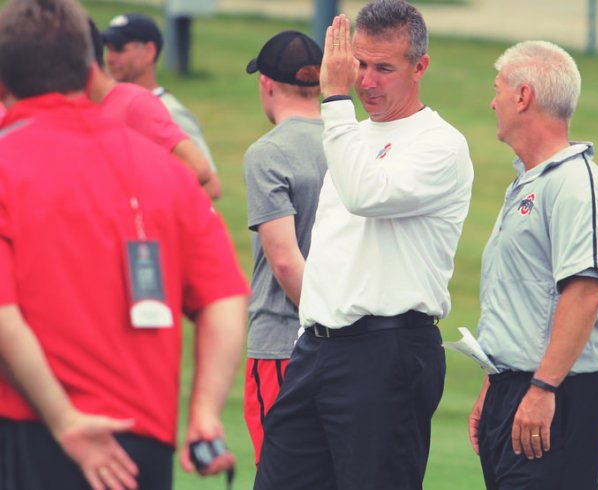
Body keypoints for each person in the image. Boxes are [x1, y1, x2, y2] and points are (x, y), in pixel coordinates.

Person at [0, 1, 248, 490]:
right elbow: (225, 297)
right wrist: (203, 413)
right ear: (92, 69)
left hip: (26, 430)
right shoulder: (166, 172)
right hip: (141, 444)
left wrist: (66, 420)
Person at [253, 1, 474, 489]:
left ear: (420, 67)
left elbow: (365, 195)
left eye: (384, 68)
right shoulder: (352, 136)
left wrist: (334, 100)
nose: (366, 81)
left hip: (387, 351)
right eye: (360, 65)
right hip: (317, 348)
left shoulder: (440, 144)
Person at [468, 40, 598, 490]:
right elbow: (524, 298)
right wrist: (494, 381)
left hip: (555, 396)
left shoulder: (576, 186)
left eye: (497, 88)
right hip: (515, 389)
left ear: (523, 96)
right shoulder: (529, 181)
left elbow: (585, 292)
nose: (492, 100)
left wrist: (542, 389)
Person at [241, 29, 328, 466]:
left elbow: (284, 261)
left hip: (282, 343)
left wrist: (325, 320)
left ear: (266, 83)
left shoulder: (268, 153)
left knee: (281, 473)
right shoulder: (352, 141)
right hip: (348, 352)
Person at [86, 19, 219, 200]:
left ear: (149, 52)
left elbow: (210, 183)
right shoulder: (108, 102)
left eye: (119, 49)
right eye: (108, 49)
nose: (110, 58)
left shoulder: (168, 110)